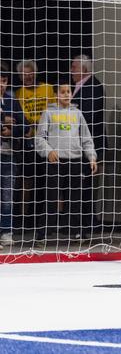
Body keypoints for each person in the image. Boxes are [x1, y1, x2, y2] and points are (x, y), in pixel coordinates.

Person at [34, 83, 97, 240]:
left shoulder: (78, 114)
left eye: (68, 91)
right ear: (56, 94)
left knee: (75, 198)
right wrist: (48, 151)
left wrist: (92, 157)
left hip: (75, 160)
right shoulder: (48, 112)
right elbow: (39, 137)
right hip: (55, 162)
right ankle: (43, 233)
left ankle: (75, 231)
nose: (66, 94)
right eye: (62, 92)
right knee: (51, 198)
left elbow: (86, 138)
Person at [15, 60, 56, 238]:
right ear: (20, 76)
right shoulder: (18, 93)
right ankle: (23, 221)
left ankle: (43, 221)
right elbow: (19, 118)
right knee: (25, 182)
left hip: (46, 142)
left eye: (30, 73)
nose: (28, 76)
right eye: (24, 74)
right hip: (27, 143)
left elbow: (54, 111)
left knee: (44, 182)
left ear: (35, 73)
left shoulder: (48, 89)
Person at [70, 54, 105, 237]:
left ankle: (88, 223)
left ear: (84, 69)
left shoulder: (93, 86)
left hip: (89, 144)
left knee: (85, 185)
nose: (71, 70)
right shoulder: (79, 86)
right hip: (78, 144)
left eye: (74, 67)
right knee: (80, 185)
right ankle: (83, 222)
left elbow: (88, 116)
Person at [0, 65, 27, 247]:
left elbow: (25, 125)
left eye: (4, 81)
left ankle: (6, 231)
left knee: (7, 195)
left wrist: (11, 131)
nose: (2, 85)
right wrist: (3, 120)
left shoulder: (11, 100)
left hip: (8, 154)